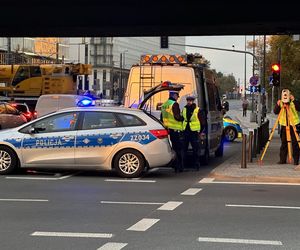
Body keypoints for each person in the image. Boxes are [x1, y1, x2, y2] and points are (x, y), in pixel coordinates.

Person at [274, 89, 300, 165]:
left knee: (295, 143)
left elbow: (299, 108)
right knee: (284, 143)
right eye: (284, 95)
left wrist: (294, 100)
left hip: (294, 124)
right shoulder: (281, 102)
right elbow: (275, 112)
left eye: (287, 95)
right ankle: (282, 160)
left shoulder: (294, 102)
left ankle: (296, 160)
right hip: (284, 124)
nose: (285, 97)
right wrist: (277, 105)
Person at [161, 90, 184, 172]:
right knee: (178, 149)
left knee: (173, 148)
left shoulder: (164, 105)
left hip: (168, 129)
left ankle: (174, 165)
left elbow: (162, 118)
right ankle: (179, 167)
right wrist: (183, 118)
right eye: (177, 96)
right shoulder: (174, 104)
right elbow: (177, 117)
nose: (178, 98)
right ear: (174, 95)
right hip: (176, 129)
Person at [182, 95, 205, 171]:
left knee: (195, 149)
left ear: (193, 101)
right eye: (188, 101)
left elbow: (202, 122)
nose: (189, 102)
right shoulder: (184, 109)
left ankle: (196, 164)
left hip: (194, 132)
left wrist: (200, 131)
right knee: (184, 149)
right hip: (186, 131)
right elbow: (182, 119)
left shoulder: (197, 110)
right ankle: (183, 165)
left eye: (190, 101)